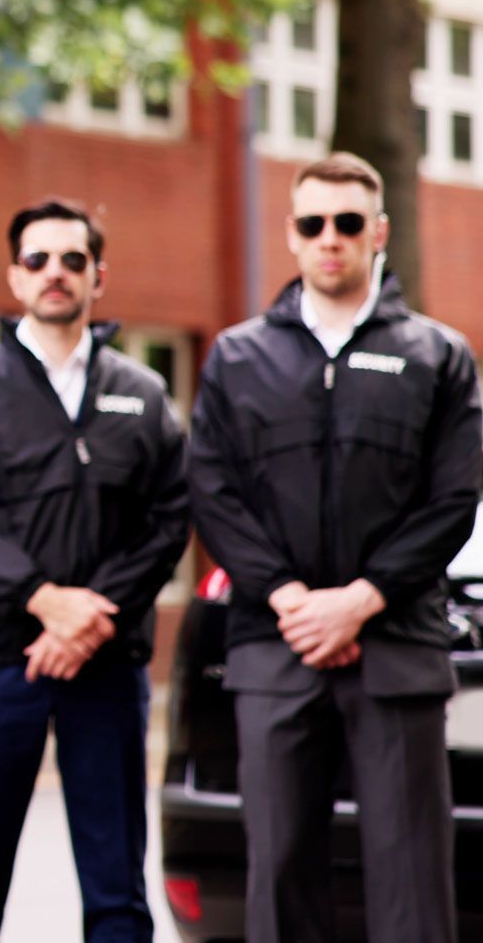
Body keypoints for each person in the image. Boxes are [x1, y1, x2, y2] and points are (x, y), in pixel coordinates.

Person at [188, 151, 480, 943]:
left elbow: (453, 498)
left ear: (377, 233)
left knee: (411, 875)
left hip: (395, 650)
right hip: (276, 650)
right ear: (290, 234)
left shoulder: (437, 356)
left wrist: (360, 601)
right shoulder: (240, 357)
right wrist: (290, 599)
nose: (330, 239)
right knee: (280, 871)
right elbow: (211, 491)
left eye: (348, 223)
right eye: (313, 223)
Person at [0, 197, 189, 943]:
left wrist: (90, 615)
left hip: (105, 663)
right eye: (38, 260)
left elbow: (167, 523)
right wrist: (43, 601)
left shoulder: (144, 394)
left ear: (99, 276)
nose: (55, 273)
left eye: (73, 260)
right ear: (14, 276)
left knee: (116, 884)